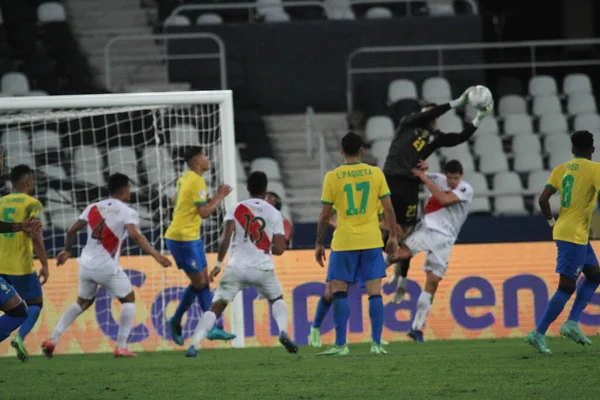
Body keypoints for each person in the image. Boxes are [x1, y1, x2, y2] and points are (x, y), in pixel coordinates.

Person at [41, 173, 172, 358]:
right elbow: (135, 235)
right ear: (125, 189)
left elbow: (71, 230)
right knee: (128, 299)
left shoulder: (93, 207)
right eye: (129, 189)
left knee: (82, 302)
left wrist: (66, 250)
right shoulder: (127, 211)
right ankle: (121, 346)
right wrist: (157, 256)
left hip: (86, 264)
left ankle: (52, 339)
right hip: (106, 266)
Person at [383, 89, 493, 304]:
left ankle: (401, 277)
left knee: (405, 233)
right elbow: (426, 115)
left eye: (435, 116)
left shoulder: (434, 137)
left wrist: (478, 118)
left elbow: (460, 137)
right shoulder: (408, 123)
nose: (433, 119)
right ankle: (375, 269)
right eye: (431, 115)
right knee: (386, 226)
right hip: (391, 179)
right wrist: (457, 103)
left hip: (410, 184)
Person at [185, 171, 298, 356]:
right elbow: (279, 249)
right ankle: (283, 332)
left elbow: (225, 238)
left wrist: (218, 263)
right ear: (266, 188)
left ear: (247, 188)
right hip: (262, 268)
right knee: (277, 299)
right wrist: (265, 244)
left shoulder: (236, 208)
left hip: (236, 267)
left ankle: (195, 344)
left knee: (216, 306)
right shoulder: (274, 214)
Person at [315, 132, 398, 356]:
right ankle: (376, 343)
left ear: (341, 151)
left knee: (339, 292)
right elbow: (389, 209)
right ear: (362, 150)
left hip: (344, 241)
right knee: (375, 292)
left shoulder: (332, 177)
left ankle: (341, 345)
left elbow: (324, 215)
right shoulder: (375, 173)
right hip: (371, 240)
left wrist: (319, 243)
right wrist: (392, 237)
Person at [525, 130, 600, 354]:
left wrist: (551, 222)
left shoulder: (561, 169)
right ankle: (538, 332)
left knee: (595, 275)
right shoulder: (595, 169)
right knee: (566, 287)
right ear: (592, 149)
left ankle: (572, 323)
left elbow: (542, 199)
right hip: (573, 236)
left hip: (571, 232)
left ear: (572, 149)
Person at [387, 160, 472, 342]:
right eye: (449, 177)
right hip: (427, 229)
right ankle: (366, 270)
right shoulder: (437, 179)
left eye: (455, 178)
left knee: (433, 282)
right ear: (445, 174)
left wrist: (425, 177)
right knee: (400, 254)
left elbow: (444, 199)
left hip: (445, 240)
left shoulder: (466, 189)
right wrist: (421, 170)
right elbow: (415, 175)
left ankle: (416, 328)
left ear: (461, 176)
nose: (451, 182)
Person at [165, 146, 235, 345]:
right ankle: (214, 328)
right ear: (197, 161)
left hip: (191, 237)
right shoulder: (196, 180)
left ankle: (176, 320)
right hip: (182, 238)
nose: (207, 159)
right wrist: (220, 196)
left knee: (202, 282)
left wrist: (206, 200)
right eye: (204, 156)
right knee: (201, 283)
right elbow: (203, 213)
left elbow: (174, 200)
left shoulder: (185, 177)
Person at [0, 164, 49, 361]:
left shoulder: (1, 201)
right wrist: (45, 264)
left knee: (15, 308)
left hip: (1, 264)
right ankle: (20, 338)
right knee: (34, 304)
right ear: (28, 181)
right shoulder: (31, 202)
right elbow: (36, 236)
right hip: (21, 265)